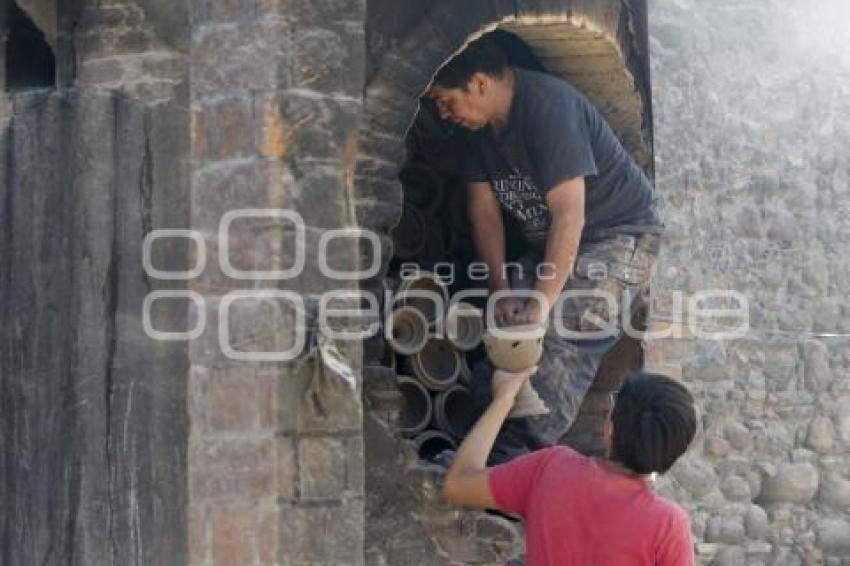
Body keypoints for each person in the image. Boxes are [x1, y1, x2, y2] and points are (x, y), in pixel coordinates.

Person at [428, 37, 664, 462]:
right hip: (554, 242)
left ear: (479, 84)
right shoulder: (479, 132)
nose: (443, 114)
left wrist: (541, 303)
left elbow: (569, 215)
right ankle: (474, 445)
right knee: (506, 331)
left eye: (446, 101)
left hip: (618, 233)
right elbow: (484, 214)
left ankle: (513, 463)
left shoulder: (548, 109)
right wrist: (502, 293)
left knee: (562, 333)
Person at [443, 368, 697, 566]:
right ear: (674, 453)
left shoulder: (551, 469)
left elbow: (458, 484)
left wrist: (503, 400)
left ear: (610, 428)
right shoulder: (668, 525)